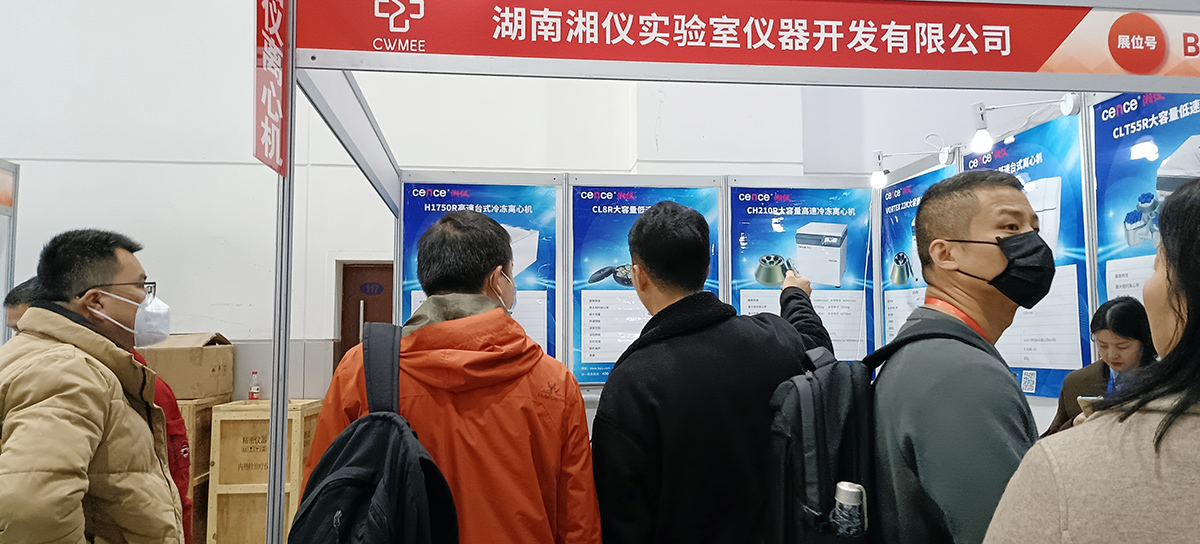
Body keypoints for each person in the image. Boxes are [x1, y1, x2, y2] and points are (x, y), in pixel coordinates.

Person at [304, 210, 601, 544]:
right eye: (512, 274)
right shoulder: (553, 382)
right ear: (498, 279)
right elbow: (577, 521)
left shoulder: (361, 369)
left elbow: (322, 499)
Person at [591, 201, 833, 543]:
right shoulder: (774, 340)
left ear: (639, 276)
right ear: (706, 268)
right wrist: (794, 296)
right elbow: (818, 349)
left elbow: (621, 518)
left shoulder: (631, 383)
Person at [985, 177, 1200, 543]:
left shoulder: (1062, 469)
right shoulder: (1078, 385)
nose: (1111, 355)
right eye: (1102, 346)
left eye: (1157, 264)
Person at [873, 170, 1043, 544]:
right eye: (1010, 228)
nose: (1032, 243)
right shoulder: (961, 376)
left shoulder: (931, 352)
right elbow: (1006, 534)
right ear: (945, 254)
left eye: (1034, 228)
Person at [0, 229, 184, 543]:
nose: (148, 299)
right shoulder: (68, 371)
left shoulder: (57, 358)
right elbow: (31, 510)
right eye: (140, 286)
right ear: (96, 301)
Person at [1042, 296, 1156, 436]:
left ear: (1145, 342)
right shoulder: (1077, 382)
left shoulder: (1166, 381)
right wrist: (1073, 423)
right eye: (1103, 345)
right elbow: (1049, 438)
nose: (1111, 355)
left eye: (1122, 347)